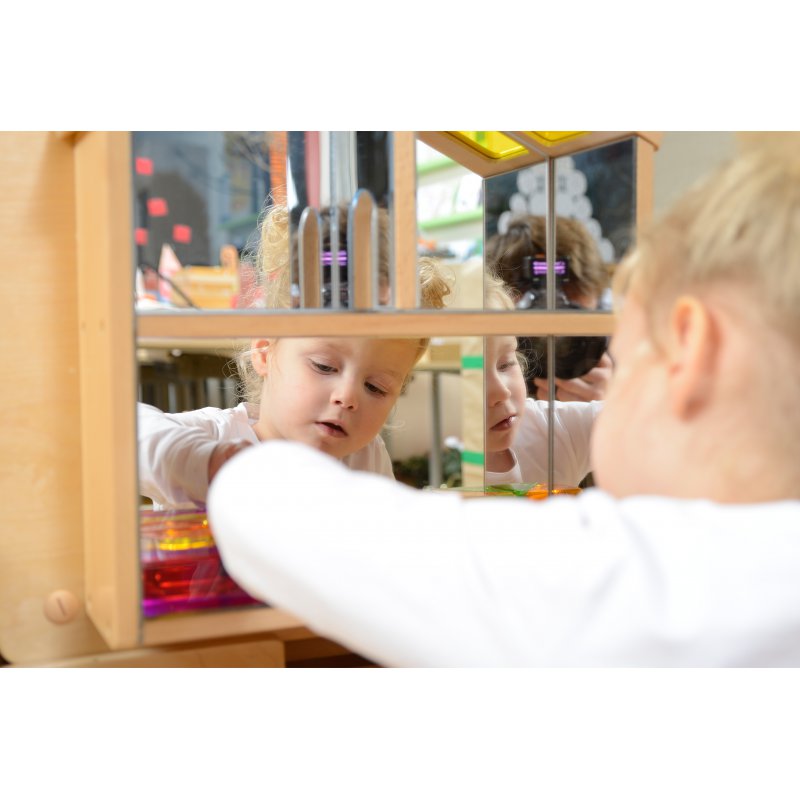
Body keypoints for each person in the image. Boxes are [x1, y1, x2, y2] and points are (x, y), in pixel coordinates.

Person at [206, 148, 800, 666]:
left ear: (691, 351)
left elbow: (262, 502)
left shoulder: (661, 585)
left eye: (621, 351)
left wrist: (229, 471)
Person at [138, 204, 452, 510]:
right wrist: (204, 462)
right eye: (324, 366)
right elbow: (127, 431)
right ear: (264, 351)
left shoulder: (366, 457)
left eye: (376, 387)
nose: (347, 397)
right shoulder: (212, 436)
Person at [483, 271, 599, 487]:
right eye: (473, 376)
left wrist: (617, 390)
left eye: (505, 364)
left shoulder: (551, 429)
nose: (501, 391)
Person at [485, 213, 613, 402]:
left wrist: (611, 404)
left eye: (571, 321)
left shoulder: (626, 350)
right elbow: (467, 363)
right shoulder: (484, 341)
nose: (553, 345)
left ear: (597, 299)